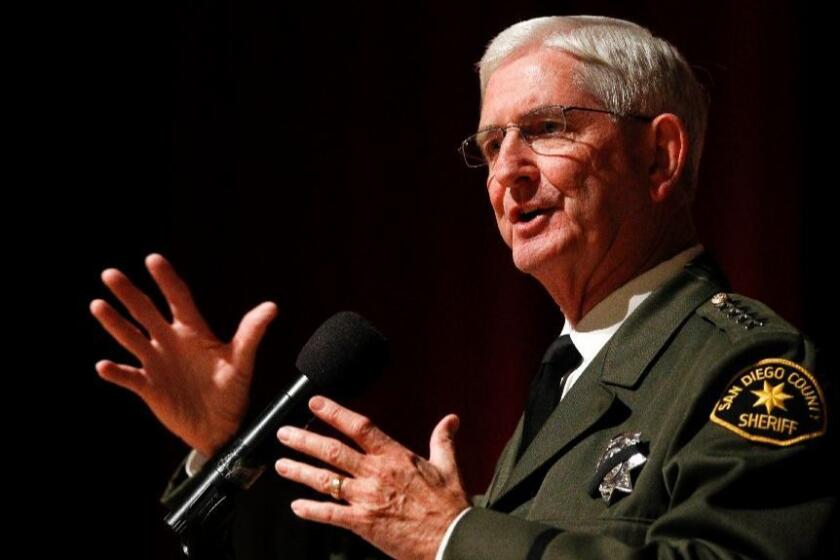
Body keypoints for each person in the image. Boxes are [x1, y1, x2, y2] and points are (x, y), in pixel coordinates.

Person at [91, 15, 836, 560]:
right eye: (489, 144)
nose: (507, 171)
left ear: (659, 157)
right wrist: (227, 451)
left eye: (546, 127)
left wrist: (454, 534)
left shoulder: (749, 369)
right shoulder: (574, 374)